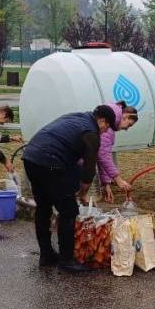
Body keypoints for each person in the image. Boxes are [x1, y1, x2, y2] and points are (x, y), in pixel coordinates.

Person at [22, 105, 116, 272]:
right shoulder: (92, 133)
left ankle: (46, 255)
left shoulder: (76, 118)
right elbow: (88, 170)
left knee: (43, 207)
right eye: (107, 126)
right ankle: (66, 261)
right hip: (50, 161)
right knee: (69, 212)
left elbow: (74, 161)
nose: (106, 130)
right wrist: (82, 192)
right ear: (101, 120)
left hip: (31, 157)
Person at [93, 102, 139, 203]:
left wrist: (106, 184)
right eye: (129, 125)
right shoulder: (108, 126)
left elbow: (102, 156)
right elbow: (103, 156)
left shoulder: (110, 119)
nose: (127, 129)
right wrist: (119, 180)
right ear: (125, 116)